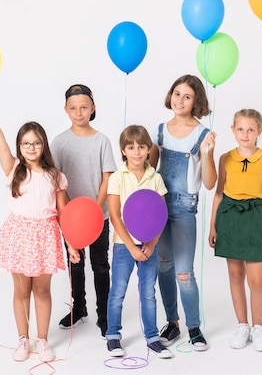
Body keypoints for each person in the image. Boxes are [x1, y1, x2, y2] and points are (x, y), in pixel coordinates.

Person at [0, 96, 81, 362]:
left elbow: (63, 213)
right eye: (26, 143)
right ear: (20, 147)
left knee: (43, 290)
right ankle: (23, 339)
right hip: (19, 234)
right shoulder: (14, 169)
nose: (31, 147)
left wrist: (71, 243)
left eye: (36, 142)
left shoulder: (55, 175)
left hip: (45, 236)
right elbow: (0, 143)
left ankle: (42, 340)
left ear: (43, 144)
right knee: (22, 290)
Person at [148, 74, 217, 352]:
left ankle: (194, 327)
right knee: (164, 266)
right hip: (159, 206)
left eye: (187, 96)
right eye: (177, 93)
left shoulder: (203, 134)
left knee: (184, 272)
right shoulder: (160, 130)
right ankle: (173, 323)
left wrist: (207, 153)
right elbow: (150, 173)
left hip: (185, 208)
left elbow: (210, 183)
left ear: (196, 101)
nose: (180, 100)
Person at [208, 108, 262, 352]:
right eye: (240, 129)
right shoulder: (225, 158)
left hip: (255, 216)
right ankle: (242, 325)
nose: (245, 133)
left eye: (251, 129)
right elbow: (219, 192)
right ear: (233, 130)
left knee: (257, 279)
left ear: (259, 131)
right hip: (229, 215)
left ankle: (258, 326)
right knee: (235, 275)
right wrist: (213, 225)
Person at [51, 84, 117, 338]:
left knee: (101, 265)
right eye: (73, 108)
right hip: (72, 219)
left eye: (84, 107)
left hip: (99, 216)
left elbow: (107, 177)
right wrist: (70, 214)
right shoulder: (59, 143)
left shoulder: (102, 141)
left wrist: (94, 209)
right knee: (75, 264)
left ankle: (104, 314)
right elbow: (57, 183)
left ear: (93, 108)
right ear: (66, 110)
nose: (79, 113)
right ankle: (78, 308)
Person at [105, 125, 173, 359]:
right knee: (118, 292)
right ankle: (113, 335)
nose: (136, 152)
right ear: (123, 150)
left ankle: (153, 338)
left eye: (141, 147)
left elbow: (161, 213)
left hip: (149, 246)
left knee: (148, 293)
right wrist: (131, 247)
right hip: (124, 246)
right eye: (131, 147)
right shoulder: (117, 177)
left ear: (148, 150)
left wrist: (152, 244)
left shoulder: (155, 178)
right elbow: (115, 215)